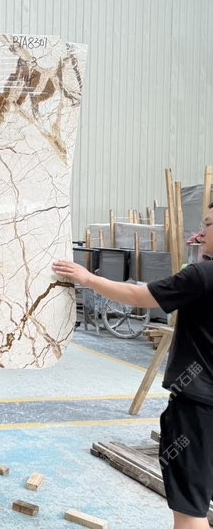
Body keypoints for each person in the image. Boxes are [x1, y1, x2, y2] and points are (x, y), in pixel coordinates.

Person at [52, 205, 213, 529]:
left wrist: (88, 278)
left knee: (190, 512)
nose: (200, 232)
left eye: (207, 224)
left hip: (199, 408)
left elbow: (139, 296)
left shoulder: (201, 276)